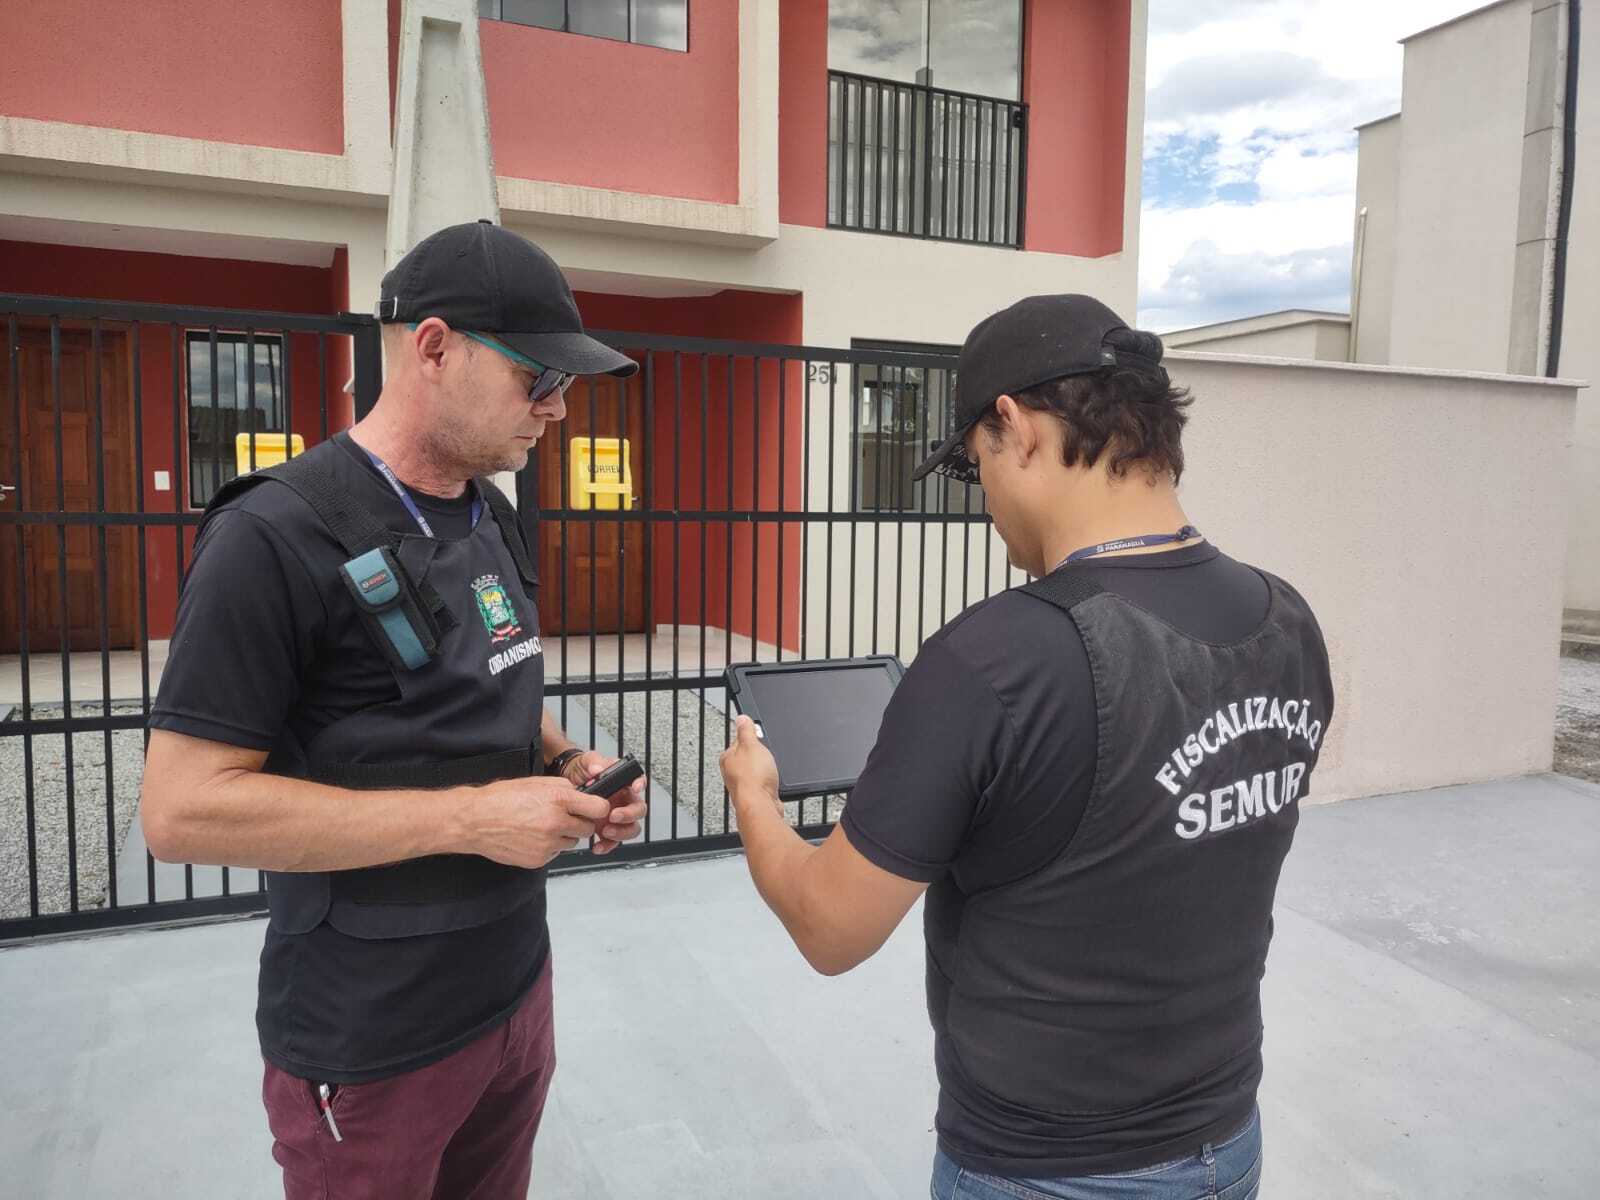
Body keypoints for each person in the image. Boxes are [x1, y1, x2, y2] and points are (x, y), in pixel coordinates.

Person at [720, 294, 1334, 1200]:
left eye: (975, 469)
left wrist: (753, 797)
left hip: (1045, 1170)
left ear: (1016, 427)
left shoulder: (996, 659)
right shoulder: (1288, 621)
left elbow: (829, 926)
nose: (987, 507)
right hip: (1225, 1142)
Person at [141, 220, 649, 1198]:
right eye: (536, 379)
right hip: (369, 1039)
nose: (558, 409)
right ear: (433, 347)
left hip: (511, 999)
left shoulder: (488, 511)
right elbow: (179, 811)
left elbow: (490, 686)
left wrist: (562, 765)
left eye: (568, 385)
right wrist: (472, 818)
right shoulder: (271, 537)